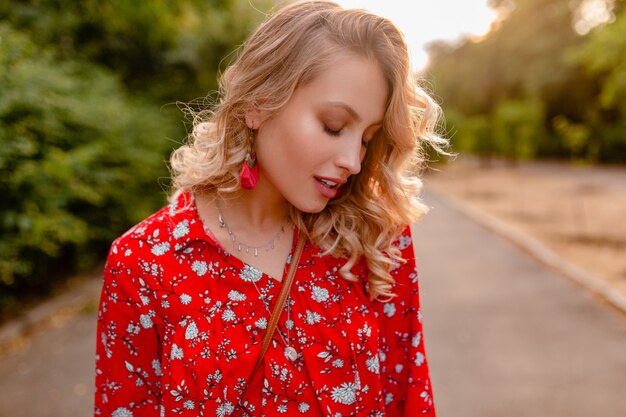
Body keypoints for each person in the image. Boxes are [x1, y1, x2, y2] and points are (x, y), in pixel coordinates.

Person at [94, 1, 446, 415]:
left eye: (367, 138)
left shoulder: (375, 242)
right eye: (334, 126)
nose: (353, 160)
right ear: (258, 103)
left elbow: (409, 399)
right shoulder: (144, 264)